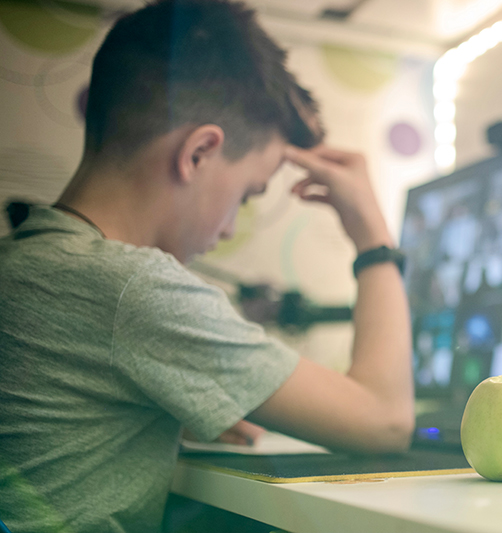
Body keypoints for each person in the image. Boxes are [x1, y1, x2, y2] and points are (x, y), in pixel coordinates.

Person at [0, 1, 414, 532]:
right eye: (247, 194)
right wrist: (373, 238)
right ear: (198, 153)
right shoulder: (134, 290)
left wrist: (176, 404)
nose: (226, 230)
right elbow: (384, 420)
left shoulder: (30, 261)